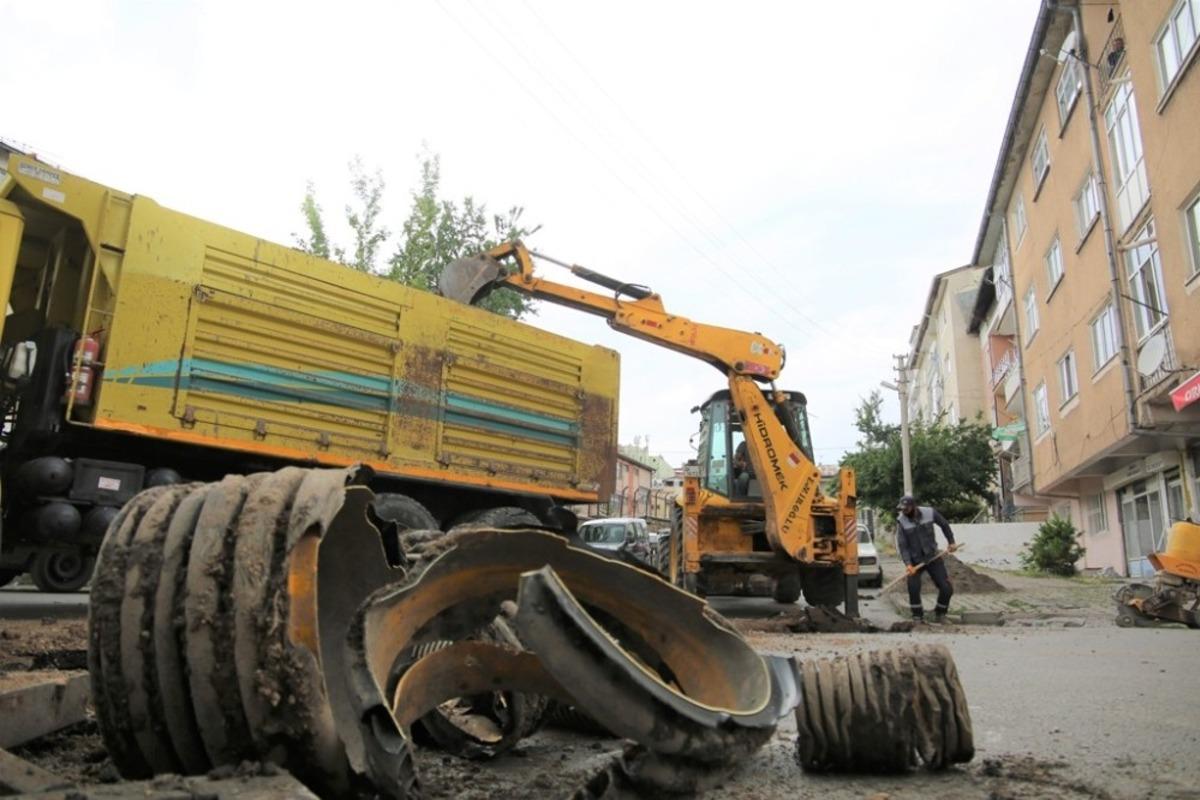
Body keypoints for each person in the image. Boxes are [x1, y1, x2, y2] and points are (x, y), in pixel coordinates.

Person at [895, 494, 958, 623]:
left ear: (913, 506)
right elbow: (903, 546)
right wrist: (908, 564)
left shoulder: (929, 512)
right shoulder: (901, 521)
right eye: (902, 509)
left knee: (946, 588)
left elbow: (944, 524)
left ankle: (940, 614)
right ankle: (917, 617)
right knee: (913, 587)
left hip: (933, 556)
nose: (904, 512)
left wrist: (951, 542)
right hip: (915, 560)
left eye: (906, 509)